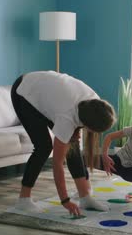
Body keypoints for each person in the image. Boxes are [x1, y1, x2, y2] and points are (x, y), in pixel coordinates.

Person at [11, 71, 116, 216]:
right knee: (43, 147)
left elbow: (73, 147)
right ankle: (23, 200)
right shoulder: (67, 117)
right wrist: (65, 200)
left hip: (48, 93)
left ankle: (85, 197)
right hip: (25, 91)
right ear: (87, 125)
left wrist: (85, 195)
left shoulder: (95, 103)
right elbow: (57, 163)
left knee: (72, 146)